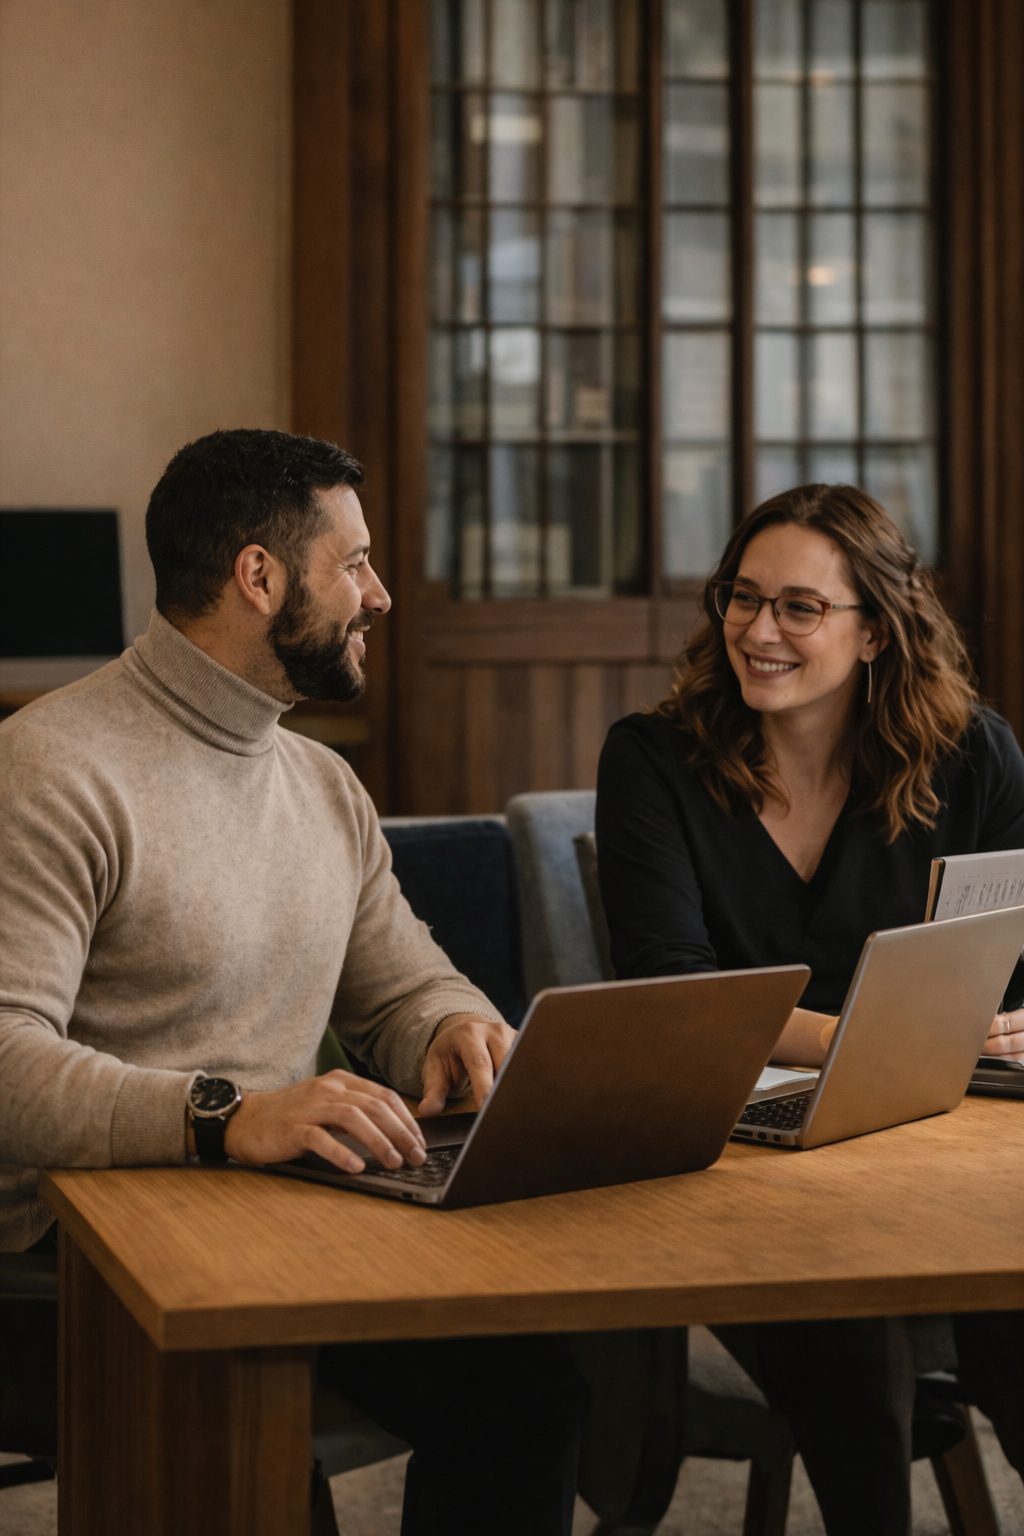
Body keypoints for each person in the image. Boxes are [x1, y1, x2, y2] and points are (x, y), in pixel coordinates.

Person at [0, 428, 584, 1536]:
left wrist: (452, 1027)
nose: (382, 594)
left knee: (527, 1393)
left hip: (279, 1215)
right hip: (74, 1251)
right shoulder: (50, 767)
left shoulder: (322, 782)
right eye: (353, 562)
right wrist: (233, 1117)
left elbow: (402, 982)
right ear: (257, 577)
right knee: (258, 1474)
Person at [596, 483, 1024, 1536]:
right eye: (741, 598)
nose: (756, 630)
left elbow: (1009, 964)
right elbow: (675, 994)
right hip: (741, 1158)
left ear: (874, 629)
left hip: (940, 1135)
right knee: (846, 1350)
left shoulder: (972, 758)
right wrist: (888, 1041)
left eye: (798, 606)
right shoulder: (651, 761)